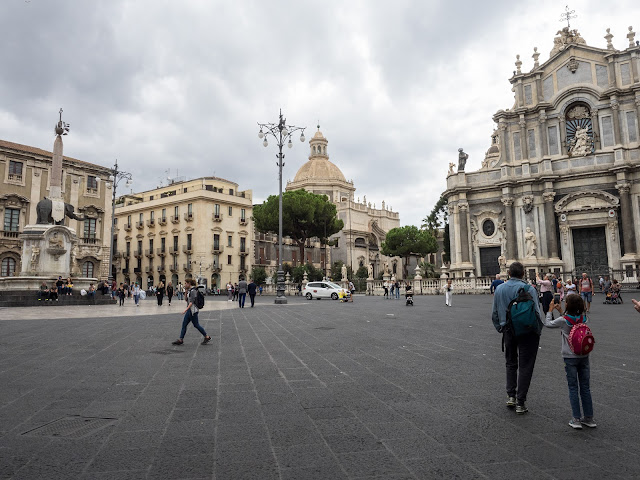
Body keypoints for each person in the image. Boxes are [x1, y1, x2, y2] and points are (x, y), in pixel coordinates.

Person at [491, 262, 544, 415]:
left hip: (508, 330)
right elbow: (536, 311)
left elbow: (494, 313)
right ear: (523, 274)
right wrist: (538, 330)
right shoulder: (529, 288)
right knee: (526, 365)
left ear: (508, 273)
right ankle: (521, 402)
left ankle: (511, 396)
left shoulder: (499, 289)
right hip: (527, 331)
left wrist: (501, 327)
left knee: (510, 363)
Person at [543, 296, 596, 429]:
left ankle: (576, 419)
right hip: (584, 355)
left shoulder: (563, 321)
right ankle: (589, 418)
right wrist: (562, 310)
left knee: (573, 387)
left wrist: (550, 311)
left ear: (568, 305)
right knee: (585, 387)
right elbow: (574, 322)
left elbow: (548, 324)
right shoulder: (584, 319)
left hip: (569, 356)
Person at [172, 278, 211, 345]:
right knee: (184, 324)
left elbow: (191, 302)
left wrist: (185, 310)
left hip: (193, 311)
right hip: (190, 310)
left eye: (186, 283)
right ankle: (181, 339)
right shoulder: (190, 290)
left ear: (189, 283)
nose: (185, 285)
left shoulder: (193, 291)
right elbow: (186, 300)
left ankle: (206, 336)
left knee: (196, 325)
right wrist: (186, 292)